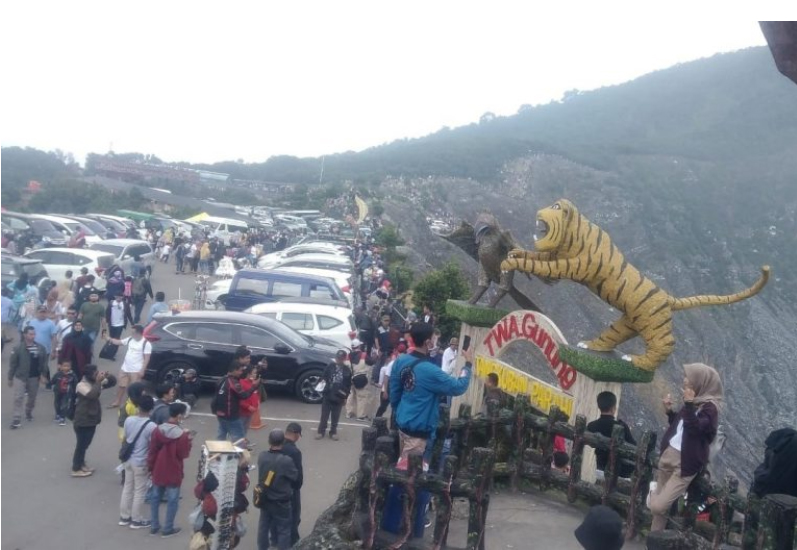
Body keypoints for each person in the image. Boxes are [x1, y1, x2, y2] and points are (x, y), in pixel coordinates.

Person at [649, 363, 723, 531]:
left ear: (700, 381)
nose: (685, 380)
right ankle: (653, 543)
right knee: (661, 512)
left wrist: (689, 405)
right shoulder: (695, 401)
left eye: (689, 377)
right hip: (669, 454)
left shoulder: (711, 409)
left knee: (658, 507)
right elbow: (682, 427)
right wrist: (669, 412)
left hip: (686, 463)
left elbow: (696, 428)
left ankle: (650, 496)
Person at [389, 322, 472, 461]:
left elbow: (394, 393)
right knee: (410, 474)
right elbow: (458, 386)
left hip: (403, 422)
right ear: (428, 342)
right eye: (434, 339)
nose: (436, 341)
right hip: (419, 430)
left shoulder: (401, 360)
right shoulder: (430, 371)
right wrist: (468, 365)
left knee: (402, 465)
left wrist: (400, 411)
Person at [148, 402, 193, 538]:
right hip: (174, 469)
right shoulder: (182, 435)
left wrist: (150, 467)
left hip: (158, 468)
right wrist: (189, 440)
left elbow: (152, 451)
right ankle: (168, 527)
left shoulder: (157, 430)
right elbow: (183, 454)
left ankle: (154, 525)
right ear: (179, 415)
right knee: (172, 500)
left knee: (155, 497)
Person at [256, 429, 298, 550]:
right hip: (281, 501)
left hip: (265, 498)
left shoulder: (262, 456)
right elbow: (294, 477)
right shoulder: (286, 461)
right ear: (283, 441)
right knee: (284, 530)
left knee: (263, 527)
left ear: (269, 441)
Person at [119, 395, 157, 529]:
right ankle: (136, 520)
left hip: (128, 460)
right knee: (140, 491)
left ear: (138, 406)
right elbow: (153, 445)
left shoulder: (129, 420)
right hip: (141, 462)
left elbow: (126, 437)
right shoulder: (151, 426)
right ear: (151, 409)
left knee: (127, 488)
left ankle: (124, 517)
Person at [212, 346, 260, 442]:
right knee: (239, 438)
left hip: (220, 413)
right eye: (240, 370)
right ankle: (237, 455)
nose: (241, 372)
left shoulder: (221, 379)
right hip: (231, 415)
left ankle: (218, 451)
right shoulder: (234, 383)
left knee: (221, 433)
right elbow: (243, 395)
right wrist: (253, 386)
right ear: (234, 370)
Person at [71, 364, 110, 477]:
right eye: (95, 373)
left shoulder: (94, 382)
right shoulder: (81, 385)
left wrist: (107, 375)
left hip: (92, 419)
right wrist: (98, 382)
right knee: (81, 445)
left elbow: (112, 382)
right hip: (82, 420)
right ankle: (76, 468)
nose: (97, 375)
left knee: (85, 444)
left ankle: (82, 464)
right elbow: (92, 395)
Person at [587, 391, 637, 478]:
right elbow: (634, 446)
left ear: (599, 406)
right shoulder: (621, 426)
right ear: (613, 408)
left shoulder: (592, 426)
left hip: (600, 469)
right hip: (620, 472)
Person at [8, 326, 48, 429]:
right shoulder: (18, 348)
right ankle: (16, 418)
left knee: (32, 398)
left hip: (34, 377)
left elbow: (44, 363)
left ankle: (28, 411)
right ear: (25, 335)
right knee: (18, 397)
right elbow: (13, 364)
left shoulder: (40, 348)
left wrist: (43, 375)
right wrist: (10, 378)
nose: (32, 336)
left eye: (34, 334)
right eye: (30, 334)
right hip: (20, 376)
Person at [106, 325, 152, 408]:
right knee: (121, 385)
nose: (131, 333)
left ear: (138, 333)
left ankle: (133, 404)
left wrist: (142, 370)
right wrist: (109, 338)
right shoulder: (130, 339)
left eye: (133, 332)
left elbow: (147, 359)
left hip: (136, 370)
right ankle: (117, 401)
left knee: (135, 389)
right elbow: (119, 342)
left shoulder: (146, 344)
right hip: (125, 368)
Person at [315, 350, 353, 441]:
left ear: (344, 359)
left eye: (341, 359)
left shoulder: (347, 370)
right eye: (337, 358)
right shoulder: (330, 366)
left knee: (335, 416)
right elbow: (323, 377)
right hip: (328, 394)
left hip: (339, 396)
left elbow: (348, 385)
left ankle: (333, 432)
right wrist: (321, 387)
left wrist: (345, 397)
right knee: (324, 416)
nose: (339, 360)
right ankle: (321, 431)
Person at [751, 427, 797, 498]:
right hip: (784, 502)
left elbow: (768, 449)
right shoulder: (788, 435)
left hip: (761, 488)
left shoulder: (788, 434)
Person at [281, 423, 303, 546]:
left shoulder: (277, 445)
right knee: (293, 516)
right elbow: (298, 477)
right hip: (290, 490)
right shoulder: (295, 452)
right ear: (296, 434)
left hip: (276, 488)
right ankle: (293, 542)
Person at [24, 305, 58, 387]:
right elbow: (27, 336)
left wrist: (54, 350)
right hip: (32, 348)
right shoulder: (32, 322)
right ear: (37, 313)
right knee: (31, 366)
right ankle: (30, 385)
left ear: (47, 313)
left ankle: (48, 383)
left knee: (44, 367)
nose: (42, 314)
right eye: (41, 312)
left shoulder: (50, 324)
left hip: (45, 350)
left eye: (44, 312)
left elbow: (54, 337)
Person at [346, 340, 373, 421]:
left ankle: (349, 413)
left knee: (351, 396)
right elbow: (372, 362)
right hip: (361, 380)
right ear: (359, 346)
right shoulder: (364, 355)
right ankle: (361, 416)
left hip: (350, 379)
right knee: (362, 397)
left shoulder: (348, 356)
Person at [51, 359, 78, 425]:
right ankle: (58, 414)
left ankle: (62, 417)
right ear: (61, 367)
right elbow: (53, 381)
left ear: (70, 367)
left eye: (68, 366)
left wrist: (75, 392)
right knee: (57, 403)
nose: (66, 367)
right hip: (57, 391)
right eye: (64, 366)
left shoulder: (72, 375)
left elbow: (75, 383)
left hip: (67, 392)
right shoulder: (58, 374)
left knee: (64, 404)